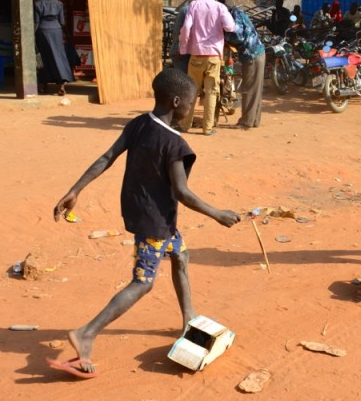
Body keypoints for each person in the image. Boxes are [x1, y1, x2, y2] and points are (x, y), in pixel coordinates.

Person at [48, 67, 241, 378]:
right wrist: (217, 213)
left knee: (180, 255)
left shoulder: (138, 124)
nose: (192, 108)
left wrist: (75, 189)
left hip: (147, 213)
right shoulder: (175, 144)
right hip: (154, 222)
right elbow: (182, 192)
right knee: (143, 282)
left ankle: (188, 315)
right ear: (177, 101)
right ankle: (87, 332)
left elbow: (105, 157)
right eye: (191, 103)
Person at [178, 0, 235, 136]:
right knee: (211, 92)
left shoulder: (194, 5)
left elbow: (186, 28)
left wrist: (184, 48)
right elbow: (230, 27)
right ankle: (207, 128)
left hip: (196, 55)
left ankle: (185, 125)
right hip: (214, 56)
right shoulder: (220, 7)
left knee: (192, 91)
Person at [226, 3, 266, 129]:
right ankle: (254, 120)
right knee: (255, 88)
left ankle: (246, 122)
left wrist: (225, 37)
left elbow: (238, 36)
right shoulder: (238, 13)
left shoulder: (234, 15)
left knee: (248, 88)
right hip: (258, 53)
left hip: (251, 55)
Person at [33, 0, 75, 96]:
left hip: (43, 32)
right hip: (57, 32)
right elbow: (62, 22)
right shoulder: (59, 4)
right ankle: (61, 85)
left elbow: (36, 22)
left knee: (44, 58)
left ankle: (44, 85)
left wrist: (31, 34)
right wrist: (67, 34)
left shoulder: (37, 4)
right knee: (59, 56)